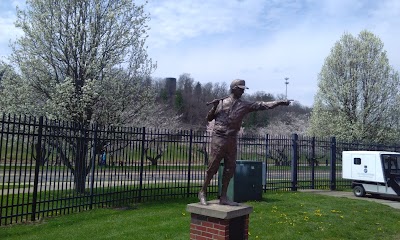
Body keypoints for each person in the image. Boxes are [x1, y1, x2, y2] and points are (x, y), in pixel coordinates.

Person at [198, 79, 292, 206]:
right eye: (240, 88)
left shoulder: (244, 105)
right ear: (233, 88)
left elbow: (262, 105)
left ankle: (224, 196)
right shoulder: (220, 103)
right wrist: (215, 106)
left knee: (230, 168)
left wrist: (279, 102)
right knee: (212, 166)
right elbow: (209, 118)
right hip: (219, 137)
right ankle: (203, 191)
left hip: (232, 138)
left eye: (243, 89)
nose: (243, 91)